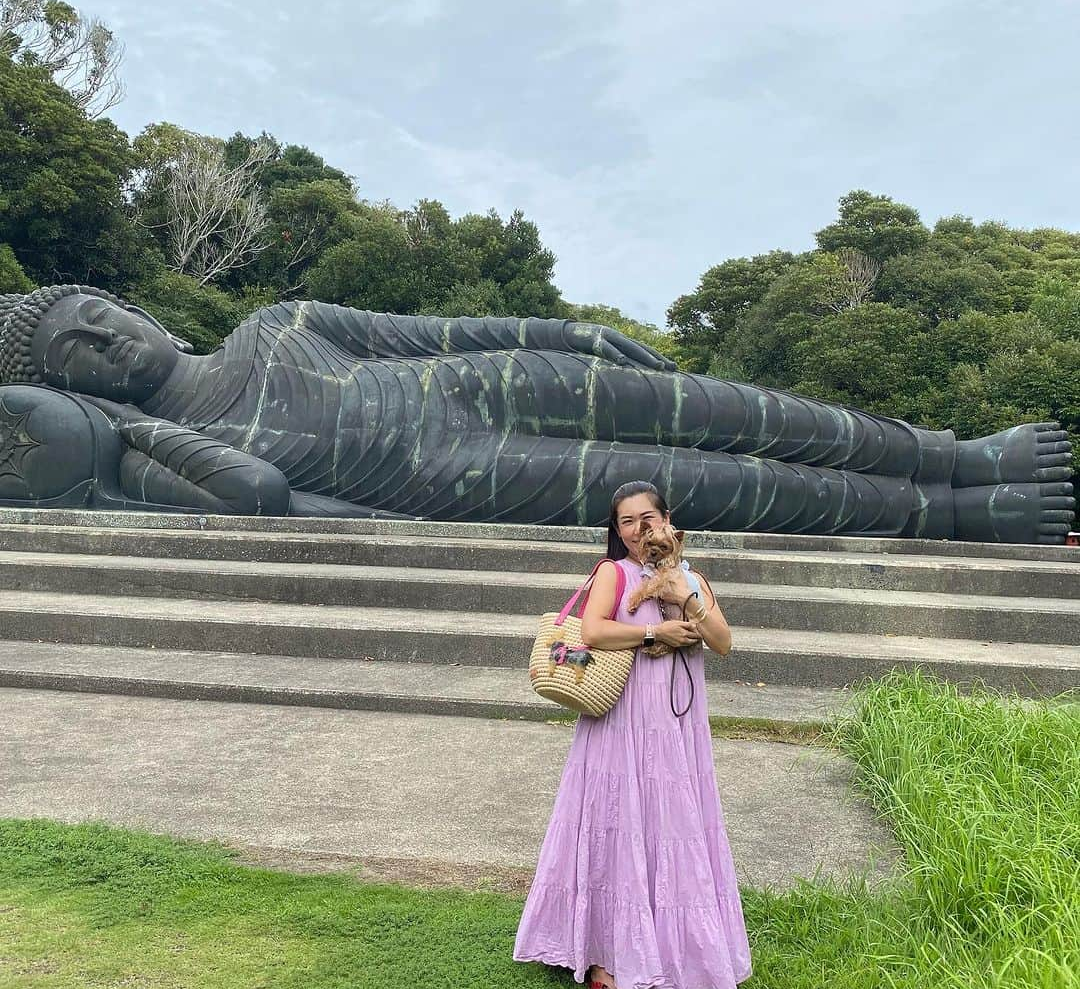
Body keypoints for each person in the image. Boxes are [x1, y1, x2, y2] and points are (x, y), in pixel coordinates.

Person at [0, 284, 1072, 540]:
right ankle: (954, 512)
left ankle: (958, 453)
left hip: (471, 384)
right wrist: (127, 437)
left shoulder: (276, 324)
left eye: (95, 315)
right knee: (724, 487)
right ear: (74, 386)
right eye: (76, 356)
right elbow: (273, 499)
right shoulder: (190, 447)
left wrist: (566, 334)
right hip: (451, 470)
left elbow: (436, 334)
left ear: (126, 299)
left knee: (734, 408)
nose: (104, 341)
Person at [514, 481, 751, 989]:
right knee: (616, 825)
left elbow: (724, 642)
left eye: (650, 518)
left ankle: (671, 953)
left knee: (670, 828)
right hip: (620, 722)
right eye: (628, 521)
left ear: (669, 522)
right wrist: (654, 636)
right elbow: (594, 632)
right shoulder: (613, 573)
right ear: (616, 531)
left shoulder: (693, 578)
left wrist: (682, 597)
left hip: (676, 728)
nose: (641, 529)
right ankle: (605, 954)